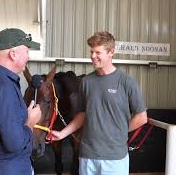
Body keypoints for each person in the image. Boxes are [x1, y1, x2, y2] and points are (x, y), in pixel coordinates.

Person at [50, 31, 148, 174]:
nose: (93, 56)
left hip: (114, 158)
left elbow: (141, 117)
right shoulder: (86, 82)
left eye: (97, 52)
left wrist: (117, 133)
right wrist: (62, 134)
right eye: (91, 52)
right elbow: (82, 114)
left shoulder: (126, 82)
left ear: (111, 52)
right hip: (87, 156)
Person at [0, 28, 42, 175]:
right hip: (7, 169)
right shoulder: (3, 87)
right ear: (13, 54)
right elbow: (14, 144)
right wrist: (31, 122)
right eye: (27, 52)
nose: (28, 57)